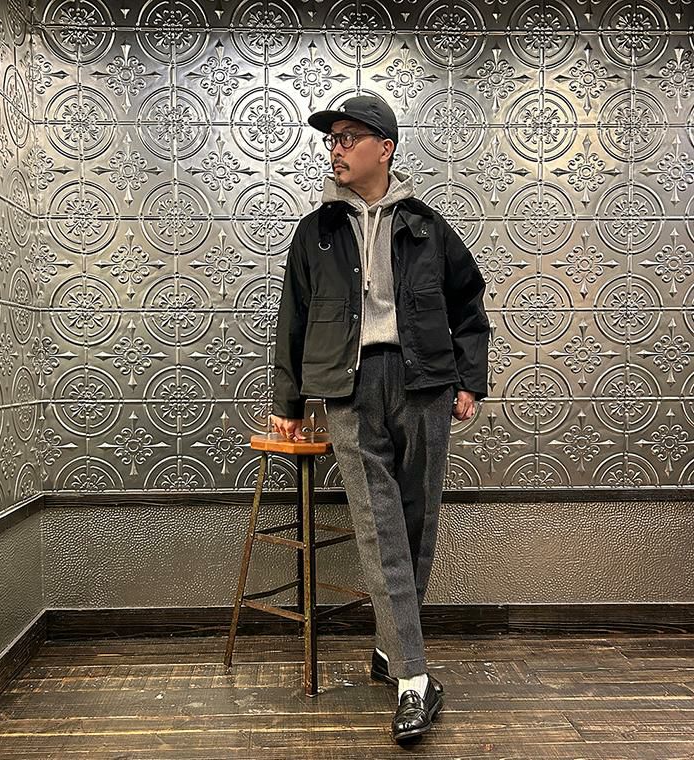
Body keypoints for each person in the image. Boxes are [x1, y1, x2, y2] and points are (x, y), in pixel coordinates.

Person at [269, 94, 489, 743]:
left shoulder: (426, 226)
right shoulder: (317, 231)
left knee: (418, 522)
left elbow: (469, 303)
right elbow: (293, 316)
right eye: (331, 139)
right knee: (377, 526)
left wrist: (469, 380)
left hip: (424, 384)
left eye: (348, 137)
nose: (335, 149)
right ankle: (415, 678)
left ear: (384, 148)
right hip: (348, 388)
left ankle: (392, 647)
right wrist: (287, 402)